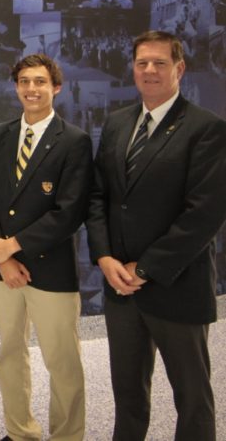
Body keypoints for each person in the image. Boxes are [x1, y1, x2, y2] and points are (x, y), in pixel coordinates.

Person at [87, 30, 226, 441]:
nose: (149, 70)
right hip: (120, 287)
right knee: (127, 393)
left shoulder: (206, 128)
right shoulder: (117, 123)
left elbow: (204, 214)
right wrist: (104, 257)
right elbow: (99, 196)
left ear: (179, 68)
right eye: (142, 62)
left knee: (192, 397)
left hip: (176, 285)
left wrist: (145, 268)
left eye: (160, 63)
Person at [0, 54, 91, 441]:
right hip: (2, 269)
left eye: (40, 81)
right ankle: (20, 431)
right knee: (10, 355)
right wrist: (2, 258)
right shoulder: (0, 135)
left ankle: (67, 436)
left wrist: (13, 246)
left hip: (51, 269)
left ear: (56, 87)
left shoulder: (74, 141)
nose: (32, 89)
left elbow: (69, 212)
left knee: (63, 362)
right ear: (16, 87)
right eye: (24, 81)